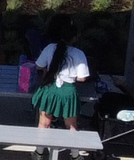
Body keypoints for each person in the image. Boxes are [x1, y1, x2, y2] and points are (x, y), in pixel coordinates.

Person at [31, 16, 91, 147]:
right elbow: (82, 78)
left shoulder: (50, 48)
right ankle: (75, 157)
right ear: (74, 38)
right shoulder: (79, 54)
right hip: (68, 91)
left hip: (50, 88)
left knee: (44, 123)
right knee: (71, 126)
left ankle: (39, 152)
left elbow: (39, 66)